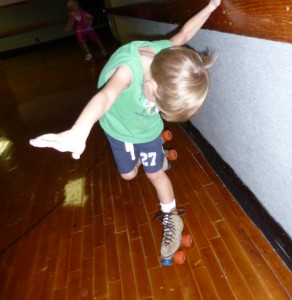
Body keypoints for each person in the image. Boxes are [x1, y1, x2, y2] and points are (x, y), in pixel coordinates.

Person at [30, 0, 221, 263]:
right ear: (152, 84)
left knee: (156, 175)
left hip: (147, 130)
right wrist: (79, 130)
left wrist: (211, 6)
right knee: (129, 175)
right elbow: (106, 97)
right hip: (118, 127)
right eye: (160, 105)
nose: (159, 109)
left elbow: (185, 34)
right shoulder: (129, 70)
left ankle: (171, 219)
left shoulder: (168, 57)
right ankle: (154, 158)